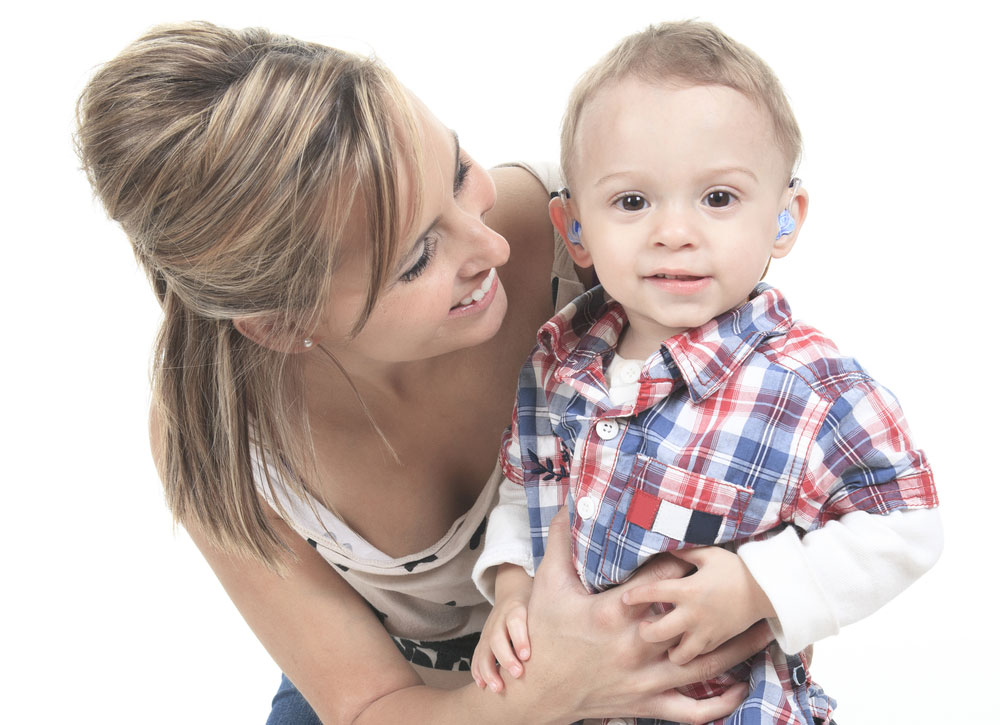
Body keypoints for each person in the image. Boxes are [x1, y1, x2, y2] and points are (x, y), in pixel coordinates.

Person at [74, 20, 780, 725]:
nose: (493, 242)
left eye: (458, 173)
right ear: (287, 324)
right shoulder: (219, 432)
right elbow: (367, 702)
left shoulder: (593, 224)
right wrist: (553, 689)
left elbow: (773, 434)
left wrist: (758, 589)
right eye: (417, 258)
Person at [471, 20, 942, 725]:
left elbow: (907, 524)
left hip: (728, 706)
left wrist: (762, 583)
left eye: (717, 198)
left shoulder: (808, 385)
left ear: (785, 220)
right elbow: (527, 483)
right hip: (578, 696)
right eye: (633, 202)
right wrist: (511, 590)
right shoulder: (558, 361)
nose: (675, 232)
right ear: (575, 230)